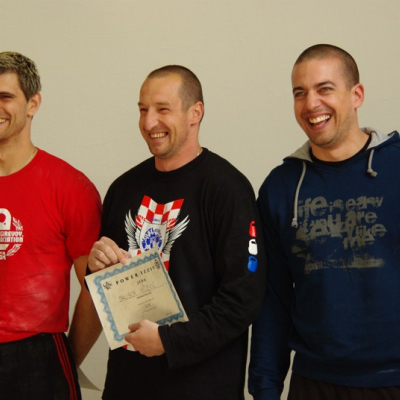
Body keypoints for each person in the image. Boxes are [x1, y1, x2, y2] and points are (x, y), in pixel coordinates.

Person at [88, 65, 266, 399]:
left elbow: (244, 297)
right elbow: (106, 291)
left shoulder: (228, 189)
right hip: (127, 385)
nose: (149, 122)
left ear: (195, 113)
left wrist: (169, 341)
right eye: (143, 110)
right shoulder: (123, 189)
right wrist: (96, 266)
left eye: (162, 109)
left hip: (202, 387)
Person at [248, 43, 400, 400]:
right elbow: (273, 299)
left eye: (324, 89)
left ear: (356, 95)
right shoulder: (280, 187)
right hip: (314, 381)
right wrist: (265, 388)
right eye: (300, 93)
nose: (311, 103)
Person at [0, 51, 102, 399]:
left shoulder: (70, 187)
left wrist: (65, 362)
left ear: (33, 103)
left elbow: (96, 289)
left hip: (36, 356)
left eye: (5, 96)